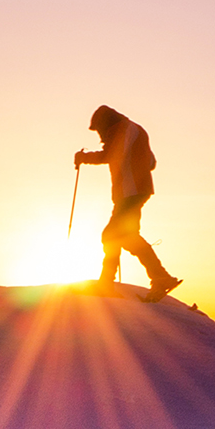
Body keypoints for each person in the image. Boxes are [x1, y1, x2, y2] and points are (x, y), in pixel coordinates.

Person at [75, 105, 180, 301]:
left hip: (130, 191)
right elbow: (151, 162)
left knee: (112, 235)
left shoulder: (121, 129)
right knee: (123, 235)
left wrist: (84, 157)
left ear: (104, 123)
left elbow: (110, 155)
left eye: (98, 129)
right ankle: (159, 277)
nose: (99, 134)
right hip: (137, 191)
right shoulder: (136, 130)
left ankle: (108, 284)